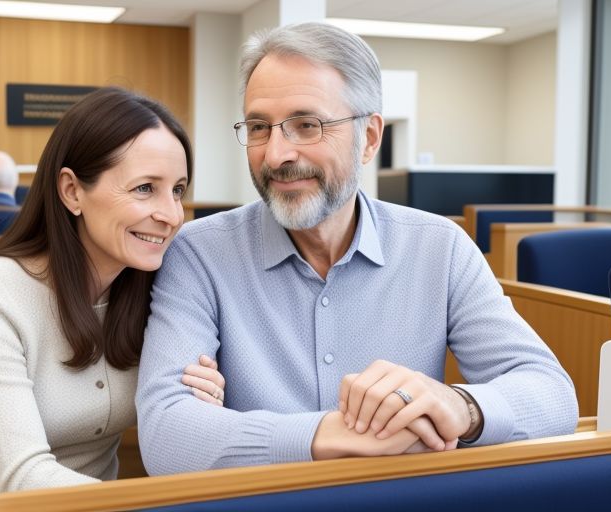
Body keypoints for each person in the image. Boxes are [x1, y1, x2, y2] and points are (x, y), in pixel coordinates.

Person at [136, 22, 579, 475]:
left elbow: (553, 395)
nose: (275, 155)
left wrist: (460, 406)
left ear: (368, 138)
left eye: (306, 125)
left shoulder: (439, 248)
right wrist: (325, 435)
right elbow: (166, 439)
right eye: (258, 127)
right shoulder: (198, 253)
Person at [0, 87, 225, 512]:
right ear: (71, 191)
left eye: (177, 190)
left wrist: (200, 409)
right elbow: (23, 479)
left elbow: (181, 434)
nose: (171, 214)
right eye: (145, 188)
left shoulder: (159, 283)